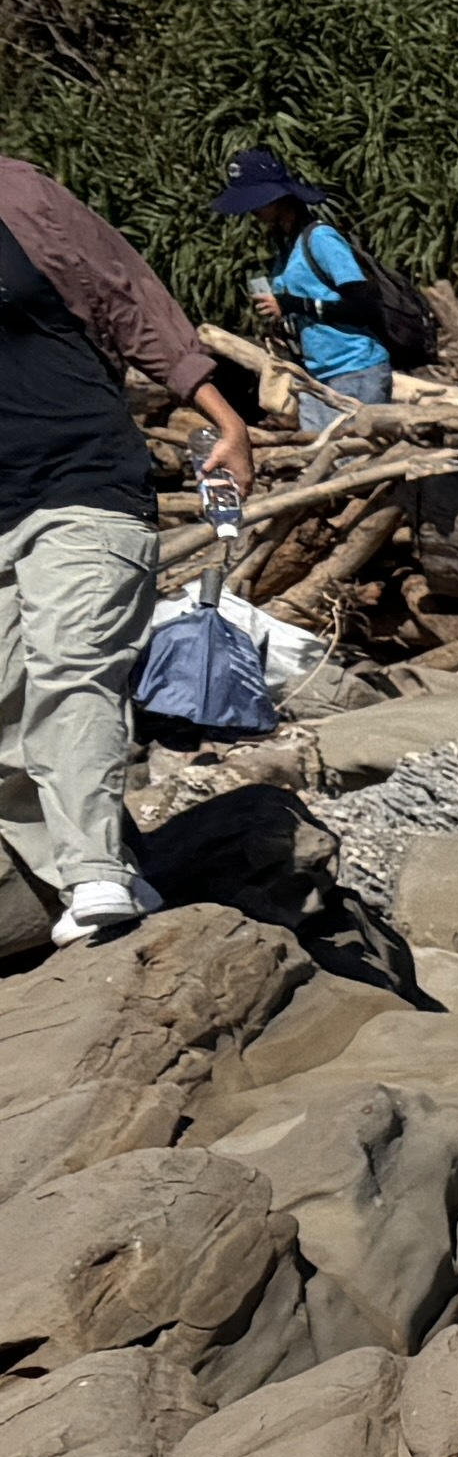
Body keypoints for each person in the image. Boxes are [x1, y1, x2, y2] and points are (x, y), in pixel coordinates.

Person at [0, 152, 257, 945]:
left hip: (84, 483)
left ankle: (95, 875)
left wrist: (222, 414)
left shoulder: (18, 193)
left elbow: (126, 296)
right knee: (6, 714)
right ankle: (120, 874)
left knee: (72, 666)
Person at [212, 146, 392, 421]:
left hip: (356, 372)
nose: (252, 213)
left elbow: (365, 305)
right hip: (312, 376)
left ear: (279, 198)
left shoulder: (320, 238)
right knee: (319, 459)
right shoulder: (284, 249)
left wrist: (290, 304)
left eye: (257, 203)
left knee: (353, 461)